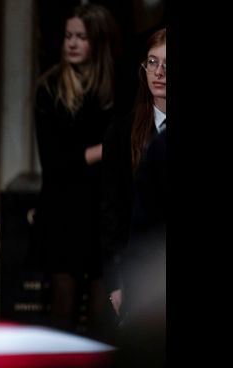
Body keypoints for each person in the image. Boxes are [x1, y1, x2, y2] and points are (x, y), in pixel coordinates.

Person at [32, 4, 121, 338]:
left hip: (105, 210)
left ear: (98, 42)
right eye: (68, 36)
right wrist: (107, 150)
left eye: (81, 37)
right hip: (62, 210)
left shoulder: (120, 86)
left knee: (104, 315)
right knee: (62, 310)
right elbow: (55, 163)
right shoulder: (50, 88)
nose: (71, 43)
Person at [101, 28, 166, 330]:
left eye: (167, 64)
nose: (159, 72)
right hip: (141, 270)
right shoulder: (122, 131)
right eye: (152, 62)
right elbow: (112, 211)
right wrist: (117, 279)